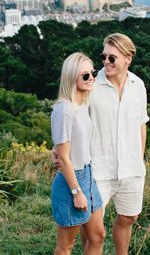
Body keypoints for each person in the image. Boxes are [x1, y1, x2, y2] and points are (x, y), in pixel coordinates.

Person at [54, 33, 149, 255]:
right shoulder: (91, 84)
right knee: (92, 230)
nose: (106, 62)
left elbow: (141, 124)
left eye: (112, 58)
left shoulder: (138, 86)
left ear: (128, 59)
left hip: (132, 169)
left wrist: (140, 159)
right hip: (98, 170)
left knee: (129, 217)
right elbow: (70, 116)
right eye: (104, 56)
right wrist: (56, 148)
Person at [51, 52, 106, 255]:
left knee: (97, 236)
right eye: (85, 75)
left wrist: (55, 149)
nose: (91, 77)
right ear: (71, 77)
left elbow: (64, 142)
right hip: (72, 182)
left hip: (88, 176)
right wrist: (76, 192)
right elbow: (64, 158)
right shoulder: (64, 108)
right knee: (66, 247)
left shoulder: (82, 104)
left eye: (92, 72)